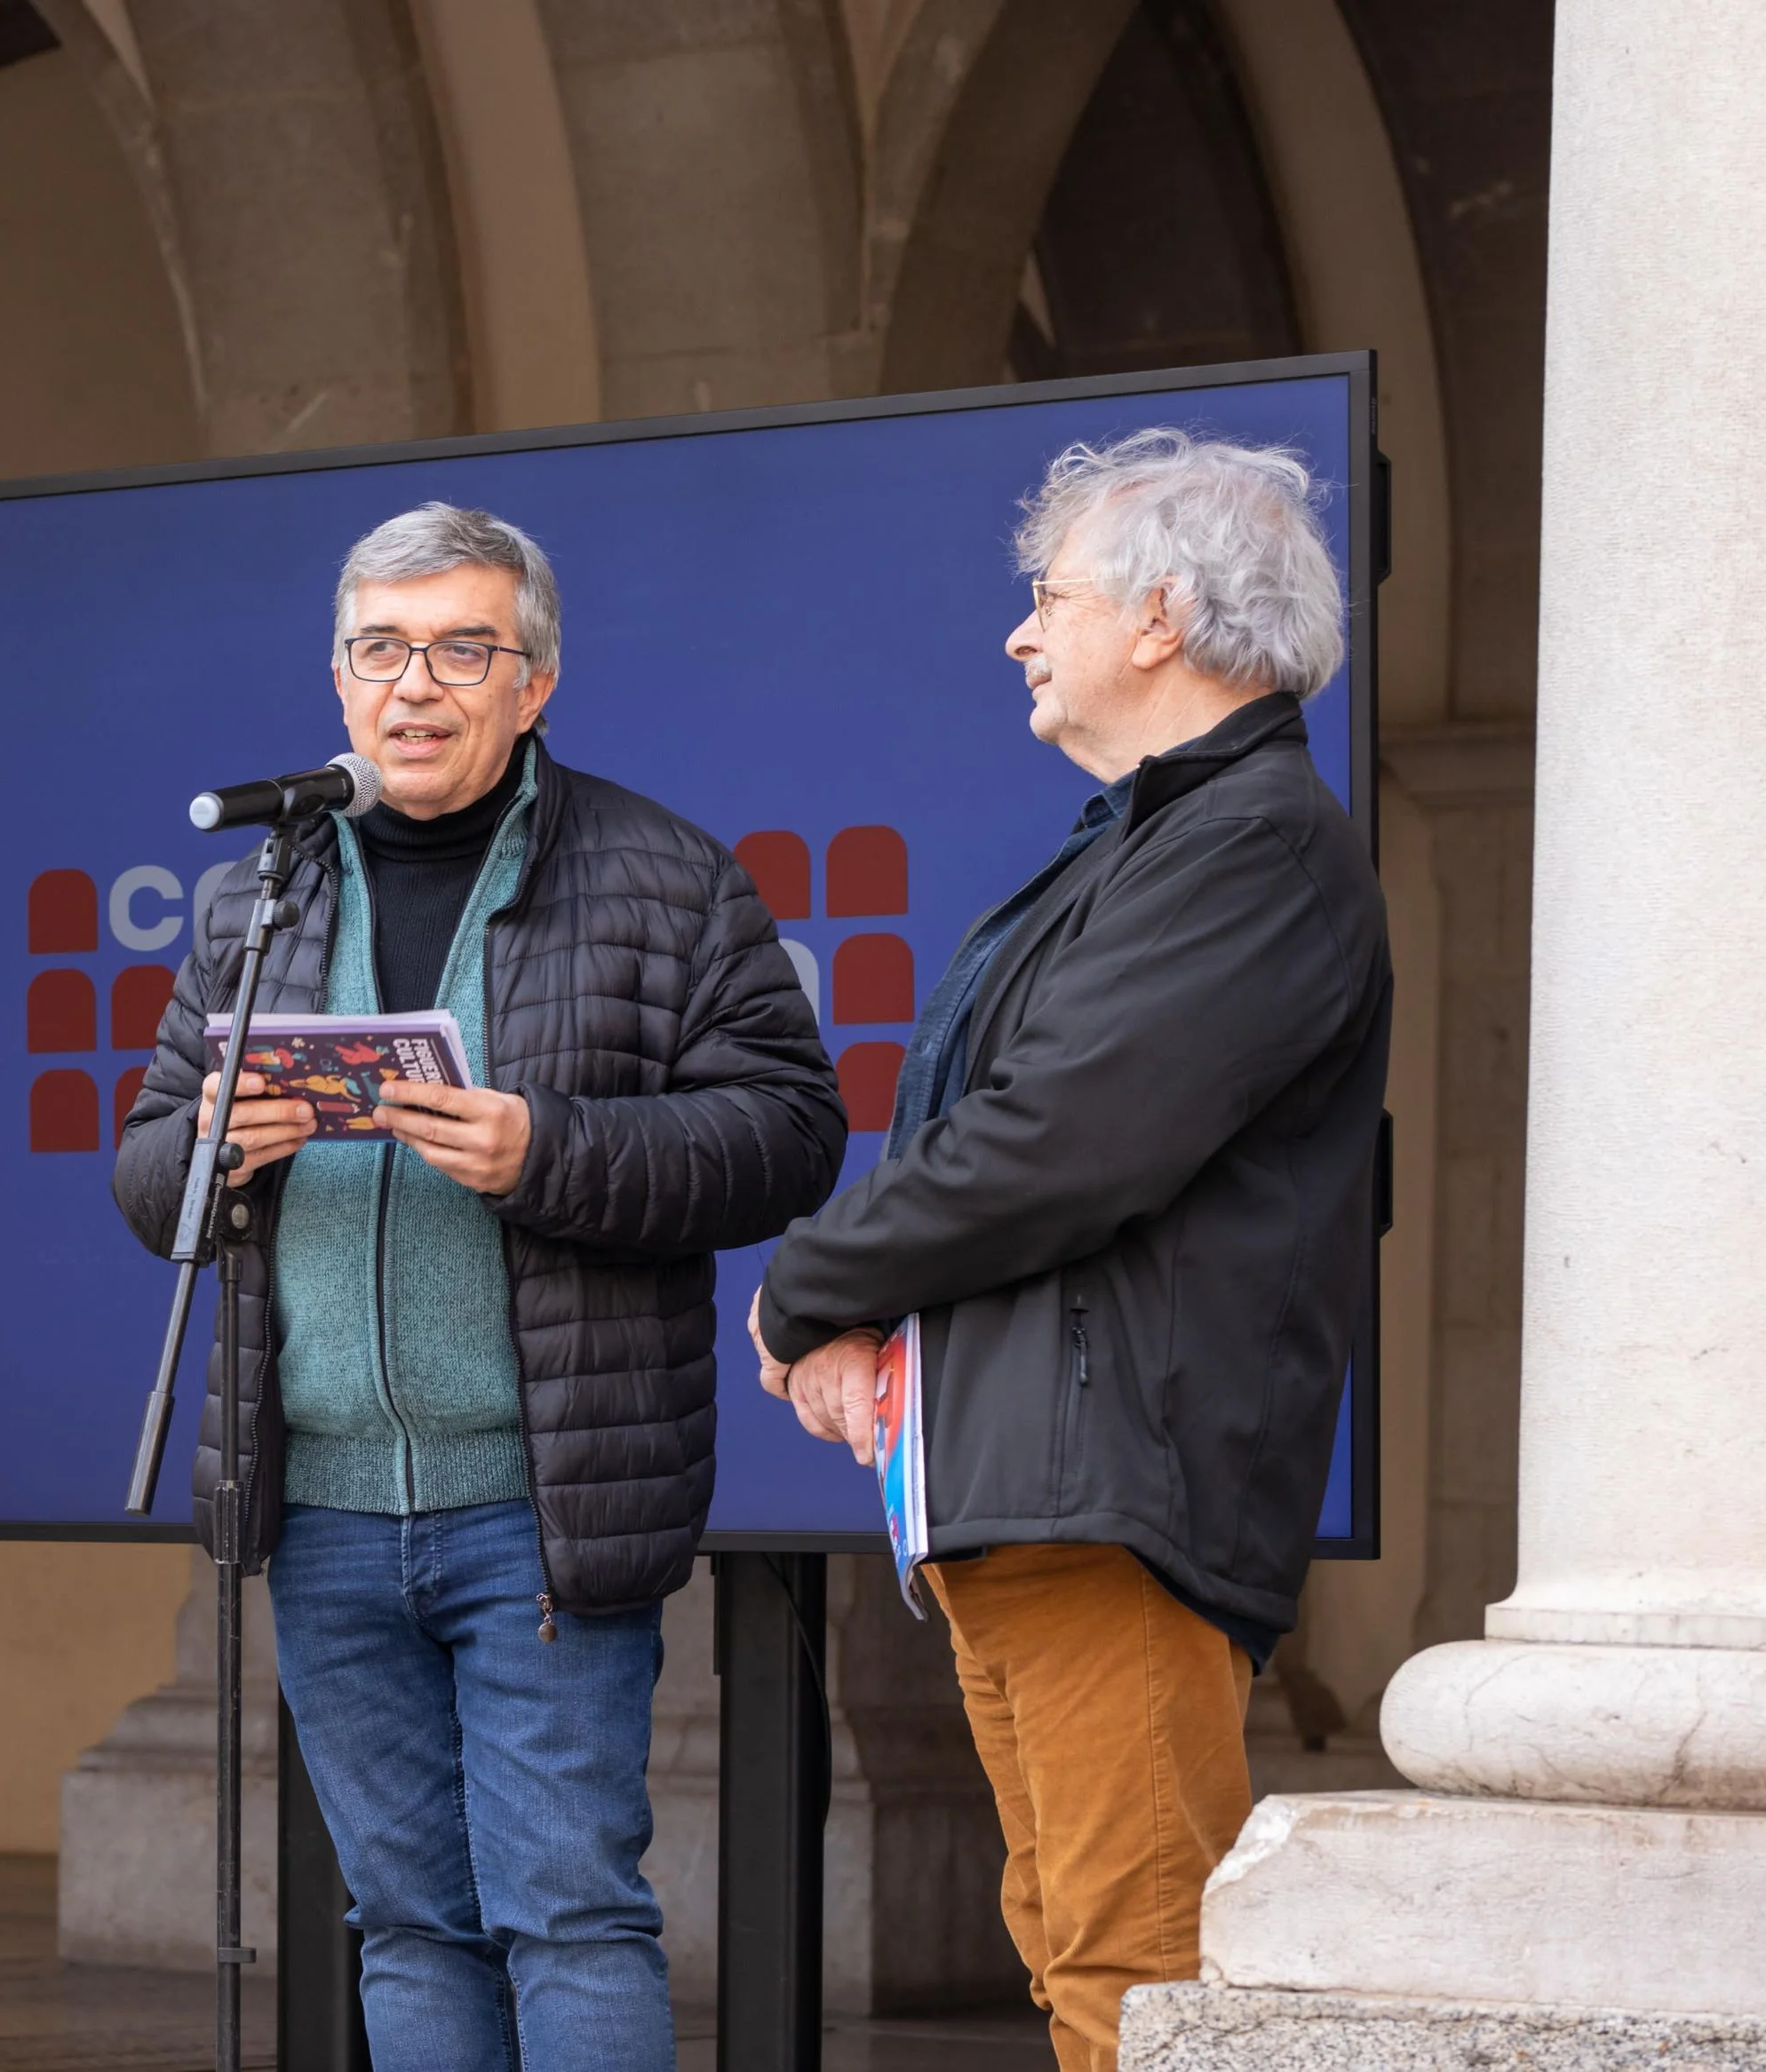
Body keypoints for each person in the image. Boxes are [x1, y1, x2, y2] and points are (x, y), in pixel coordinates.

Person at [115, 503, 845, 2072]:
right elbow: (141, 1167)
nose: (417, 684)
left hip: (542, 1499)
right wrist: (214, 1153)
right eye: (382, 648)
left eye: (464, 647)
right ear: (336, 677)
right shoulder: (264, 899)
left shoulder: (662, 875)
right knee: (407, 1923)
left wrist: (549, 1149)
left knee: (566, 1913)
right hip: (318, 1507)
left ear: (538, 682)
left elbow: (791, 1136)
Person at [747, 432, 1391, 2072]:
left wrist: (810, 1284)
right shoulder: (1151, 837)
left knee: (1137, 1970)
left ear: (1162, 614)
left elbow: (1058, 1139)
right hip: (1031, 1491)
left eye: (1047, 599)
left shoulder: (1255, 844)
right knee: (1070, 1952)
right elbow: (1007, 1131)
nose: (1020, 637)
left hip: (1115, 1496)